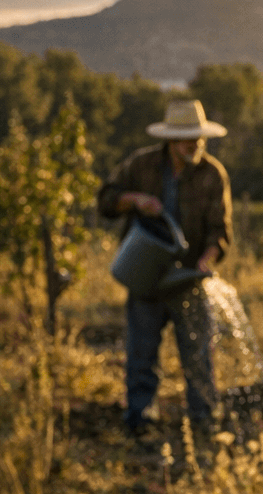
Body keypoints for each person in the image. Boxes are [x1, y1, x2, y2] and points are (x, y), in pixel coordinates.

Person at [97, 98, 232, 434]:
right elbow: (106, 199)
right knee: (141, 355)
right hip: (146, 275)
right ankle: (140, 422)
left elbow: (221, 230)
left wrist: (206, 259)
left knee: (198, 357)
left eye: (199, 137)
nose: (196, 144)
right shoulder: (141, 165)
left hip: (188, 279)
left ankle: (204, 425)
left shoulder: (213, 174)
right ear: (171, 140)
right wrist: (135, 201)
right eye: (189, 138)